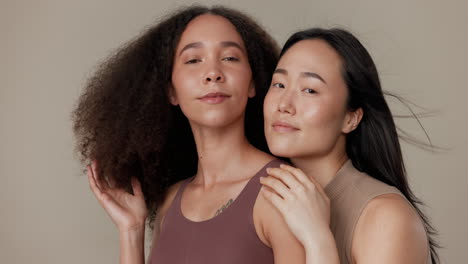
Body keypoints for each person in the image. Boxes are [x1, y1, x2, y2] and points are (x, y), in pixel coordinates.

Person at [72, 5, 305, 264]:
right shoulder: (169, 203)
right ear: (171, 92)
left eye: (230, 58)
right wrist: (131, 231)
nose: (213, 73)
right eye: (193, 60)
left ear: (252, 82)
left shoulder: (283, 191)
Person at [260, 28, 439, 264]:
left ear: (351, 118)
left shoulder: (385, 217)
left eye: (310, 90)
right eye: (279, 84)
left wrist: (318, 240)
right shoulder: (262, 196)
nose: (284, 105)